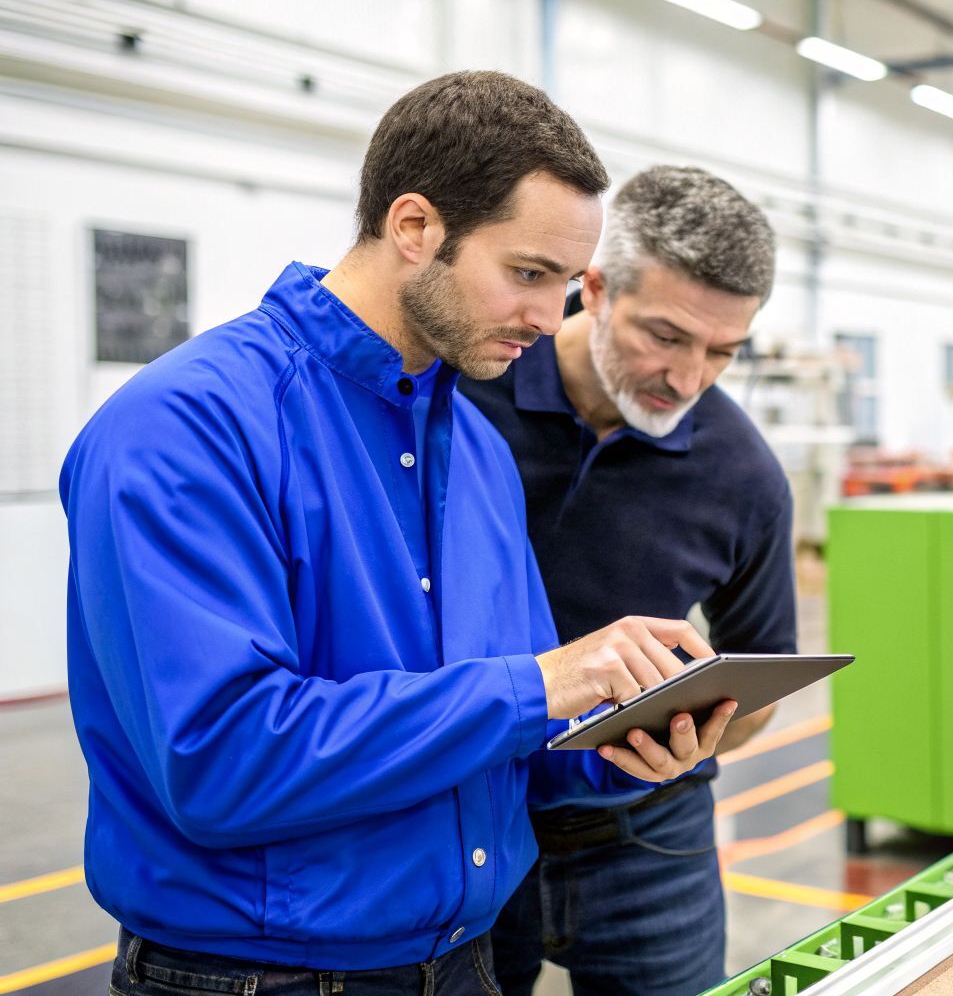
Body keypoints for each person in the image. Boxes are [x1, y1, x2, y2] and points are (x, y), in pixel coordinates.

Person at [62, 71, 734, 995]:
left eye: (565, 284)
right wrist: (543, 684)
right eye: (528, 275)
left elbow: (505, 742)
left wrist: (630, 747)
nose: (552, 319)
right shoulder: (187, 427)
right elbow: (223, 761)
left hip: (462, 967)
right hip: (260, 981)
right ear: (414, 227)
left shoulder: (479, 454)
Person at [461, 165, 792, 996]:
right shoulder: (466, 397)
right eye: (667, 336)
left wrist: (689, 732)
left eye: (724, 352)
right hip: (464, 811)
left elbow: (759, 674)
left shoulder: (743, 474)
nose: (688, 379)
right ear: (597, 289)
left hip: (650, 835)